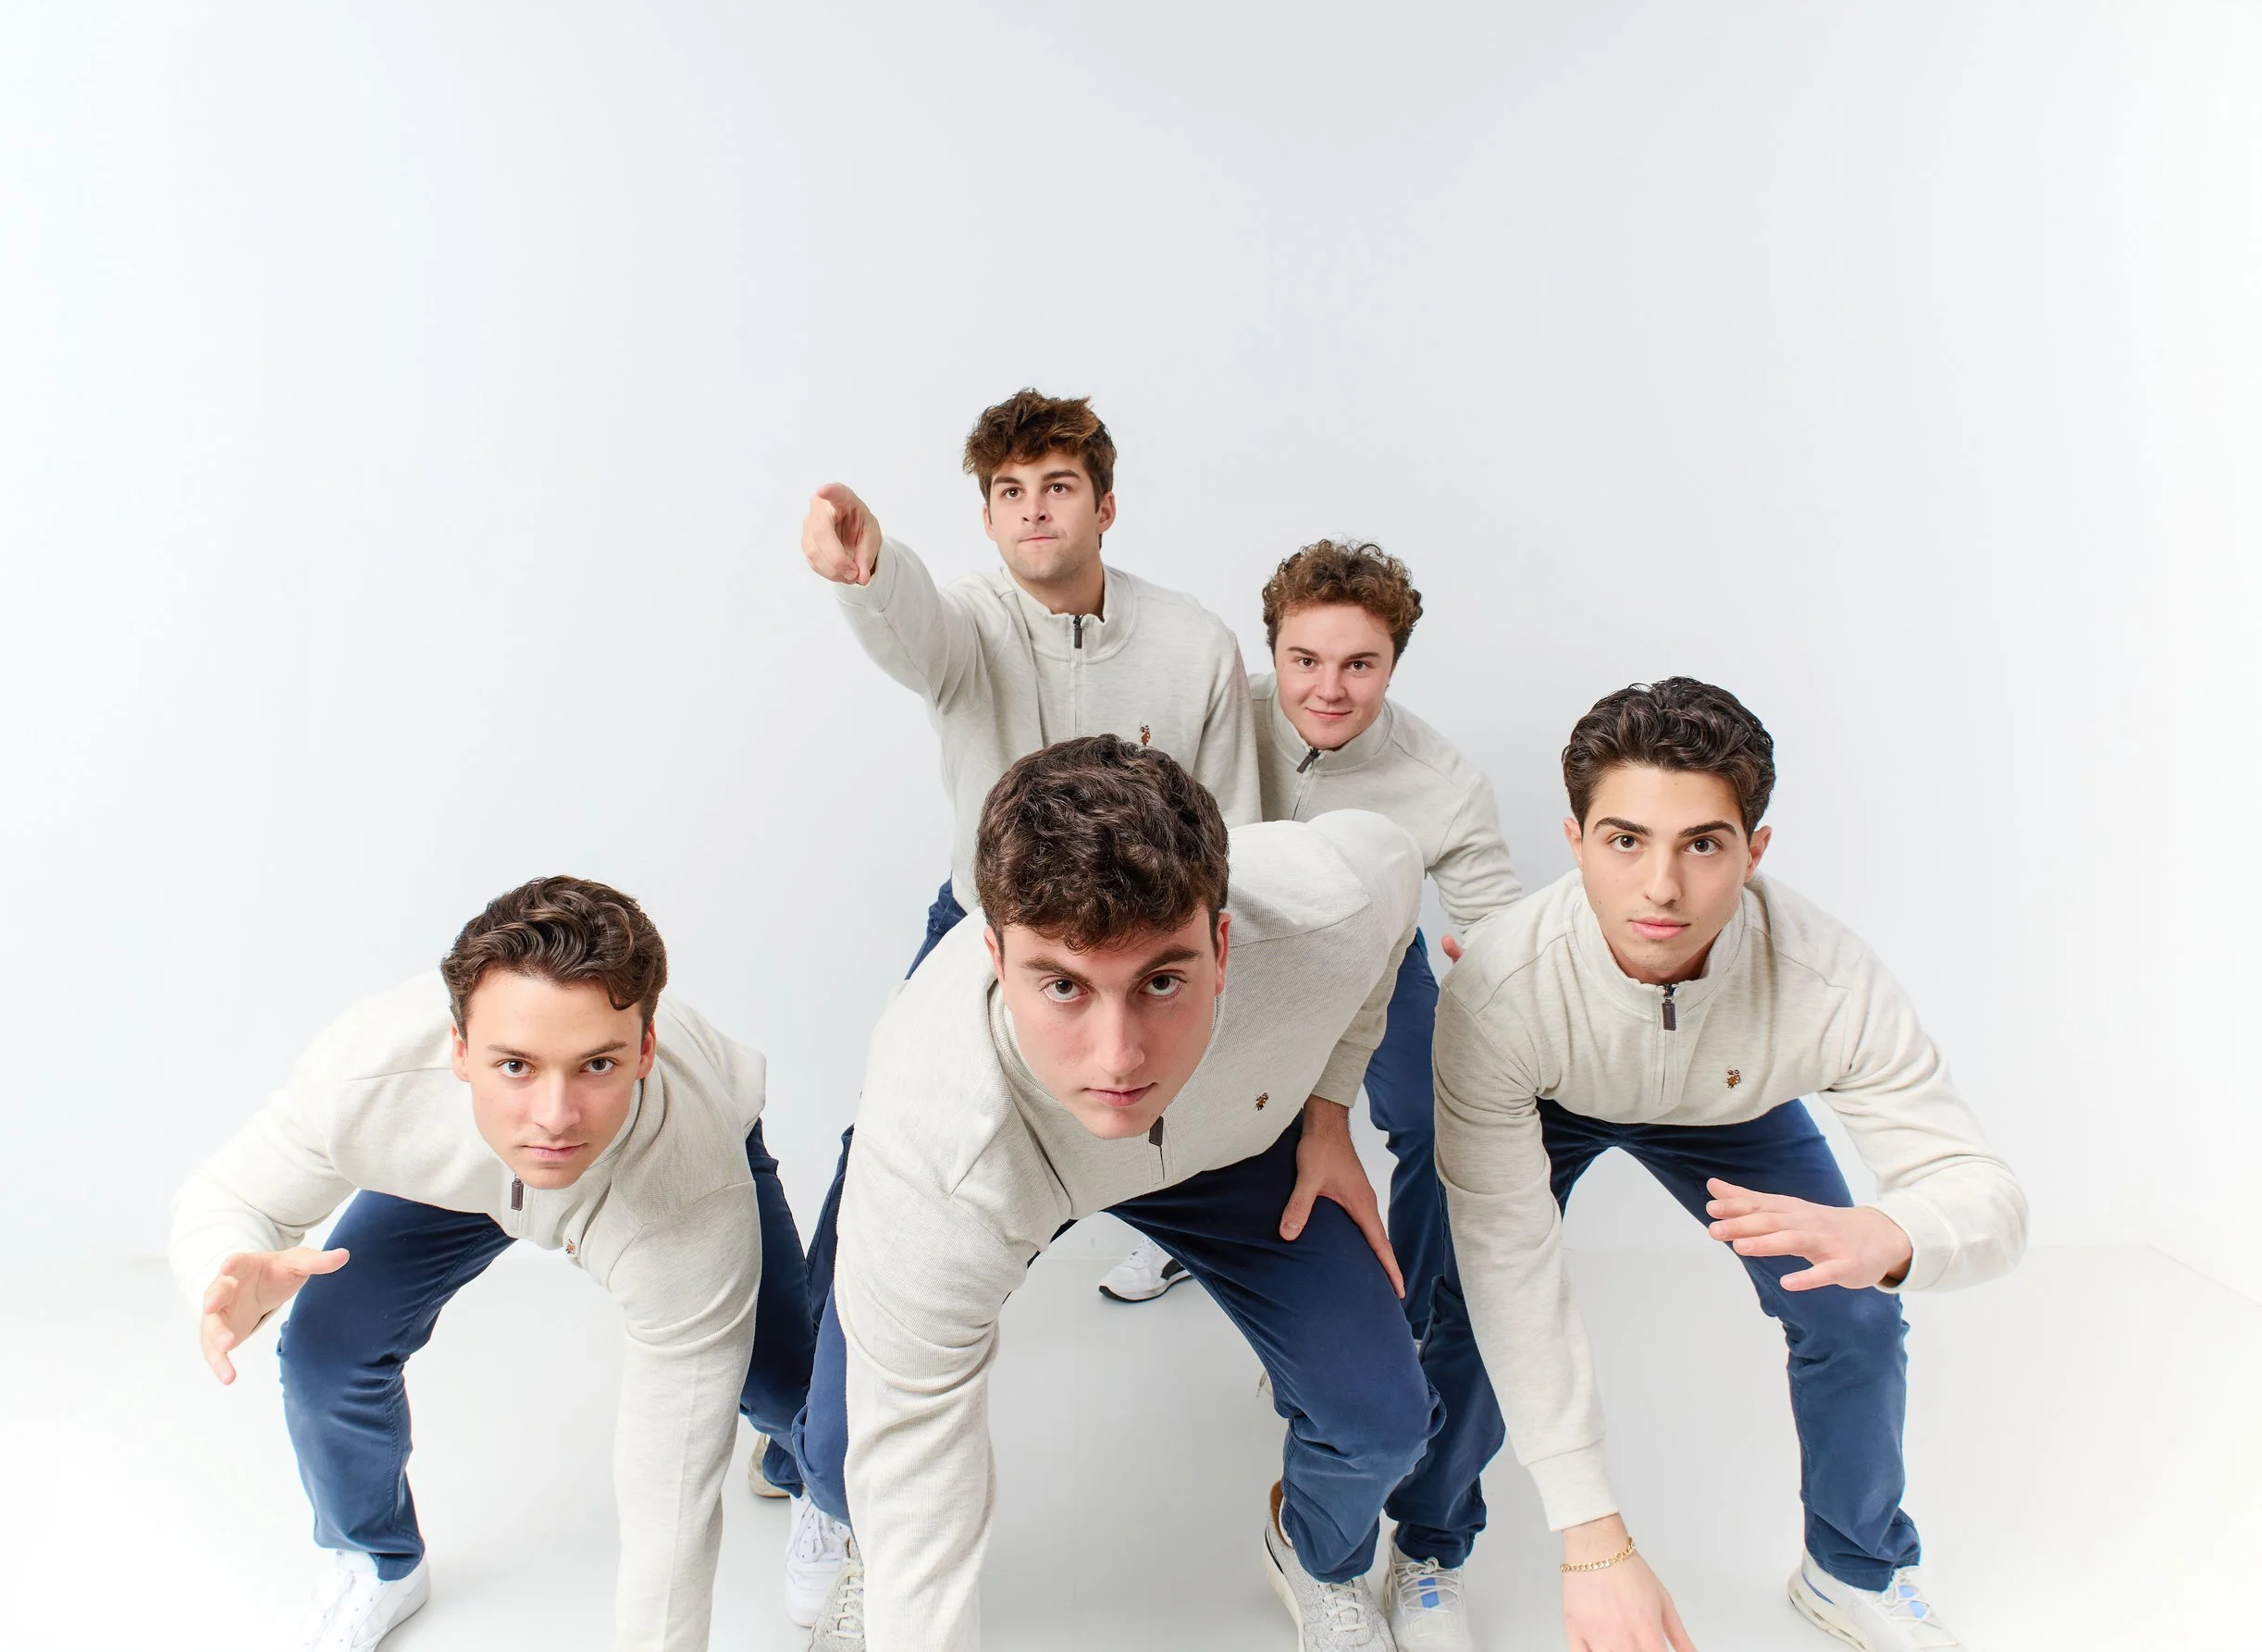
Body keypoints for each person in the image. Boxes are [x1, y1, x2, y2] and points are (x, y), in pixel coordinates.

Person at [799, 734, 1474, 1651]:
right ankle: (845, 1537)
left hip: (1230, 1158)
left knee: (1382, 1420)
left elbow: (1395, 916)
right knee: (849, 1457)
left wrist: (1326, 1107)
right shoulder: (931, 1130)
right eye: (1063, 986)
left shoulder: (1336, 895)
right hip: (1017, 1160)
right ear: (995, 957)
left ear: (1222, 942)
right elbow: (924, 1475)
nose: (1118, 1058)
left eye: (1162, 980)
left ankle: (1316, 1556)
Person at [1434, 679, 2029, 1652]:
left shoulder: (1825, 979)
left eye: (1701, 844)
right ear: (1576, 839)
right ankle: (1428, 1545)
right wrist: (1593, 1539)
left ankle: (1849, 1568)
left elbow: (1988, 1195)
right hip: (1543, 1091)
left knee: (1855, 1311)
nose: (1660, 888)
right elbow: (1513, 1271)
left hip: (1728, 1107)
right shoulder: (1503, 987)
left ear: (1753, 851)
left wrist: (1888, 1233)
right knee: (1459, 1304)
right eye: (1625, 840)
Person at [168, 876, 838, 1652]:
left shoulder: (692, 1183)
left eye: (596, 1064)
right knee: (327, 1343)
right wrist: (223, 1268)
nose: (554, 1117)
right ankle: (376, 1561)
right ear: (458, 1050)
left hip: (646, 1179)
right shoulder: (369, 1081)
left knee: (787, 1380)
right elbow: (225, 1192)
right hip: (465, 1165)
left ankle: (808, 1476)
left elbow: (670, 1499)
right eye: (515, 1065)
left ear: (645, 1049)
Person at [1094, 539, 1521, 1648]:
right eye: (1304, 658)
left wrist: (1513, 968)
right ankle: (1192, 1225)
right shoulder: (1209, 714)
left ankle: (1394, 1314)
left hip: (1362, 956)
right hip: (1208, 954)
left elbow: (1500, 932)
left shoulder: (1440, 781)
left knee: (1434, 1111)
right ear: (1271, 647)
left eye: (1360, 665)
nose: (1327, 689)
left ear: (1396, 662)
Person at [799, 386, 1262, 978]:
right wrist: (869, 566)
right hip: (983, 921)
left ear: (1105, 509)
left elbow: (1235, 830)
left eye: (1059, 487)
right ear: (988, 519)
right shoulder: (966, 624)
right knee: (898, 1072)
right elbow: (912, 620)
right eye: (1011, 491)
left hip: (1143, 942)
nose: (1034, 509)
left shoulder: (1197, 644)